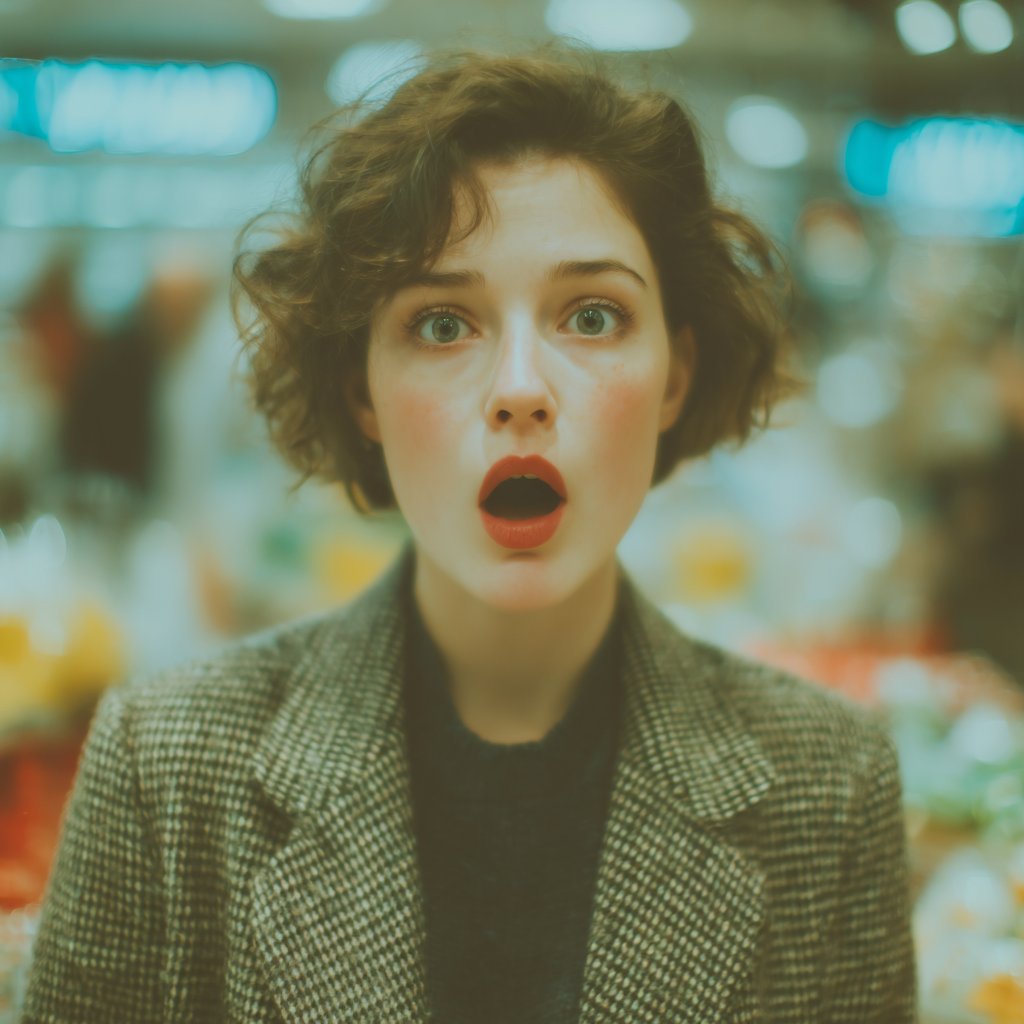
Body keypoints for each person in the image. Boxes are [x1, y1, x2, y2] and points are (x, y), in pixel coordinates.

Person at [20, 43, 918, 1023]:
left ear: (675, 374)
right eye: (442, 324)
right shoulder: (166, 765)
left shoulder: (828, 785)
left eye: (591, 314)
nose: (520, 388)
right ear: (362, 386)